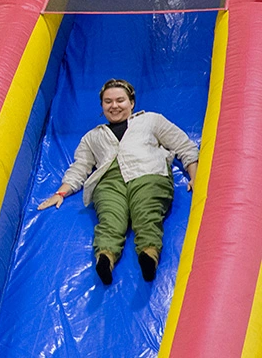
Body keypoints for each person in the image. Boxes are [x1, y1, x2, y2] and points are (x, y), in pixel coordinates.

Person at [38, 79, 198, 285]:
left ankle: (148, 255)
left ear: (131, 102)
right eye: (108, 102)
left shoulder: (150, 120)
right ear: (102, 106)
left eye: (120, 100)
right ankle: (105, 258)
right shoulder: (93, 137)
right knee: (110, 219)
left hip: (147, 172)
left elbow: (184, 146)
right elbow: (80, 167)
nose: (114, 106)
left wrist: (195, 176)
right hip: (109, 181)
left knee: (146, 212)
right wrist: (60, 192)